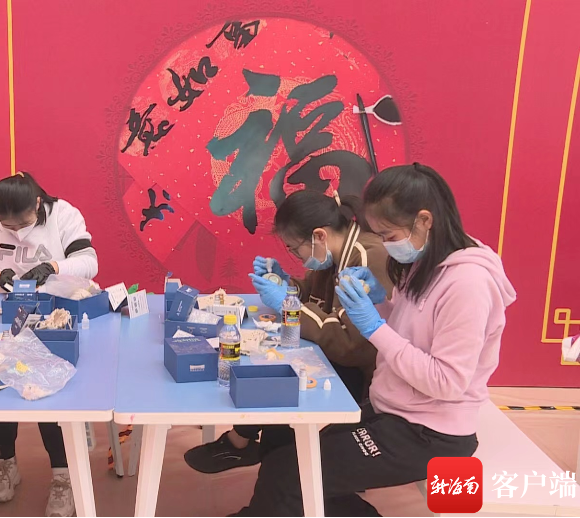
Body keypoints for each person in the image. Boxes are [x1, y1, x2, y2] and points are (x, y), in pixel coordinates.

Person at [232, 163, 516, 516]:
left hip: (430, 432)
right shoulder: (426, 261)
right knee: (288, 459)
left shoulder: (468, 284)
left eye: (389, 235)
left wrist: (374, 326)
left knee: (290, 474)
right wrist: (383, 301)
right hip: (392, 408)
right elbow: (414, 327)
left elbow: (447, 382)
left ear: (424, 220)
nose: (384, 245)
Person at [185, 190, 392, 474]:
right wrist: (285, 283)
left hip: (363, 371)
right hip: (344, 355)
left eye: (295, 249)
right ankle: (254, 450)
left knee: (285, 374)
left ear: (319, 236)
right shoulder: (336, 251)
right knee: (275, 362)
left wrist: (287, 303)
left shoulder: (368, 257)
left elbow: (351, 344)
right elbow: (314, 295)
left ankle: (270, 463)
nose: (297, 256)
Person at [0, 172, 98, 517]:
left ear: (38, 204)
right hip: (8, 314)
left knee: (50, 390)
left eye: (23, 224)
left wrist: (52, 266)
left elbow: (89, 263)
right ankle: (6, 462)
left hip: (56, 313)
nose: (15, 231)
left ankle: (62, 475)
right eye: (7, 226)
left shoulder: (64, 215)